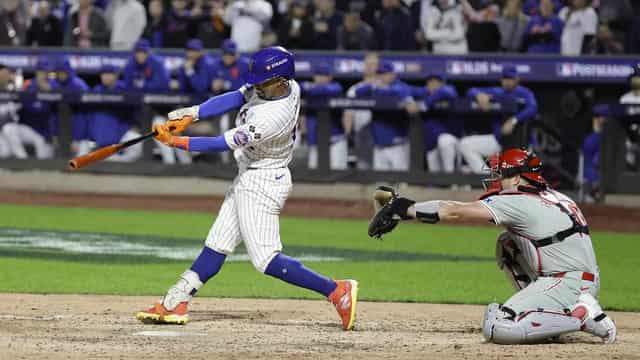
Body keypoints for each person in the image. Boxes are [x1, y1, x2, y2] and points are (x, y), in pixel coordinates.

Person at [135, 46, 359, 331]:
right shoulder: (278, 85)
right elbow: (237, 96)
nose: (255, 86)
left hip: (263, 181)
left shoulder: (271, 117)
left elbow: (218, 143)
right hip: (248, 176)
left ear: (280, 80)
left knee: (266, 260)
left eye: (262, 82)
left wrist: (175, 142)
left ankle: (337, 291)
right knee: (217, 243)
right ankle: (175, 301)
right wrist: (193, 113)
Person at [368, 148, 617, 345]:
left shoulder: (517, 201)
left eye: (501, 174)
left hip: (567, 283)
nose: (496, 179)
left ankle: (580, 317)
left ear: (517, 177)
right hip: (583, 279)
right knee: (508, 244)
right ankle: (549, 312)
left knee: (497, 326)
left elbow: (455, 211)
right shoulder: (555, 196)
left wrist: (404, 208)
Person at [458, 65, 538, 173]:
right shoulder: (497, 92)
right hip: (499, 141)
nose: (508, 81)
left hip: (521, 145)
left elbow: (533, 107)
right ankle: (486, 176)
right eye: (505, 78)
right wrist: (479, 95)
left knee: (522, 179)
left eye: (511, 78)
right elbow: (470, 91)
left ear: (517, 79)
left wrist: (513, 121)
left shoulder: (524, 93)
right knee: (465, 144)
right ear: (501, 79)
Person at [355, 60, 413, 172]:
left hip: (398, 146)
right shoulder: (375, 87)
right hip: (379, 146)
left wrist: (378, 88)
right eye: (380, 73)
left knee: (401, 183)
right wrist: (371, 84)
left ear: (393, 74)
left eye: (385, 73)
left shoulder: (401, 87)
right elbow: (358, 92)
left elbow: (395, 94)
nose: (382, 76)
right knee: (381, 185)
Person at [3, 58, 57, 159]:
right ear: (37, 72)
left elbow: (59, 108)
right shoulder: (28, 85)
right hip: (28, 129)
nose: (44, 74)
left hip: (44, 134)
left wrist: (50, 92)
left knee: (45, 159)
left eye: (46, 72)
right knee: (9, 129)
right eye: (42, 71)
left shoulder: (53, 85)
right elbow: (18, 104)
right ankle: (22, 160)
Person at [408, 72, 461, 173]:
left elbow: (448, 92)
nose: (433, 84)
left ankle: (453, 180)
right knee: (434, 176)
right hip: (431, 141)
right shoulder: (425, 92)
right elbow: (407, 90)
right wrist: (409, 101)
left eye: (436, 81)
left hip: (449, 137)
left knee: (445, 142)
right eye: (430, 81)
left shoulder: (448, 91)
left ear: (442, 83)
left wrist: (422, 105)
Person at [90, 65, 142, 162]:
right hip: (102, 141)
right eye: (104, 74)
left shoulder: (125, 89)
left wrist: (136, 125)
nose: (106, 77)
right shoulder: (96, 90)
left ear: (116, 76)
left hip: (124, 135)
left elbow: (136, 110)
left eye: (110, 74)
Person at [300, 63, 346, 170]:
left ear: (330, 77)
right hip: (315, 142)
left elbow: (330, 90)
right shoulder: (306, 88)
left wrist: (312, 90)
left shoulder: (336, 87)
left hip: (335, 141)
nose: (320, 78)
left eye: (324, 75)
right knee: (313, 176)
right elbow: (300, 87)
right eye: (318, 75)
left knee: (339, 175)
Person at [343, 53, 379, 170]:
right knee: (363, 169)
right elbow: (348, 114)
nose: (369, 67)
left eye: (373, 64)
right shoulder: (354, 89)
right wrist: (348, 135)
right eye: (367, 64)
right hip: (361, 135)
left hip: (380, 134)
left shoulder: (384, 87)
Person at [54, 57, 91, 157]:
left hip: (80, 135)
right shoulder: (55, 85)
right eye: (59, 72)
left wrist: (77, 139)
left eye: (63, 71)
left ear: (68, 71)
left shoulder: (79, 85)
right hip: (63, 133)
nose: (61, 74)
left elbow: (84, 116)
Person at [582, 105, 608, 202]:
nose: (600, 119)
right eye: (597, 117)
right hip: (592, 181)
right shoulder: (591, 138)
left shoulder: (613, 138)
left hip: (609, 182)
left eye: (602, 116)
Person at [0, 64, 18, 158]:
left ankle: (23, 160)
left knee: (38, 140)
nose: (4, 77)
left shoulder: (13, 90)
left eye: (6, 74)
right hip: (2, 130)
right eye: (2, 74)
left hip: (15, 128)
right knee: (5, 152)